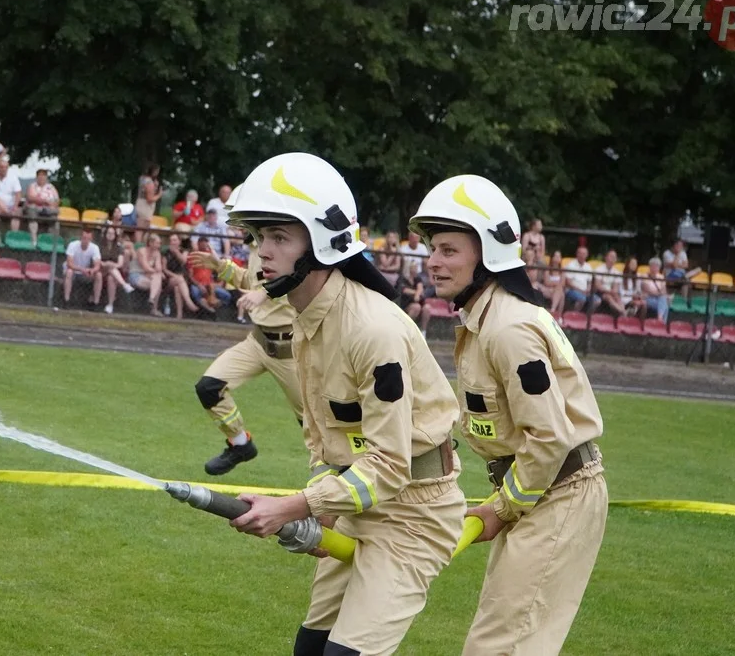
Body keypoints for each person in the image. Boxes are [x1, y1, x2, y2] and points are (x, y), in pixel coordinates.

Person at [225, 153, 464, 656]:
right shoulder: (306, 317)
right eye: (257, 238)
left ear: (322, 243)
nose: (261, 253)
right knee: (310, 650)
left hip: (414, 516)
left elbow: (390, 465)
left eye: (278, 238)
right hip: (358, 504)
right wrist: (320, 511)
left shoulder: (371, 330)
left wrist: (295, 507)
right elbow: (323, 439)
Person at [409, 174, 607, 656]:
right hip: (535, 492)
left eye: (449, 250)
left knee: (501, 646)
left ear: (489, 254)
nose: (432, 261)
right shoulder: (487, 319)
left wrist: (500, 509)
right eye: (433, 248)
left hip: (556, 493)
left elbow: (549, 436)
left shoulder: (508, 329)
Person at [189, 217, 304, 475]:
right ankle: (240, 443)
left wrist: (264, 294)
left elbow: (300, 277)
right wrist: (221, 266)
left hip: (291, 350)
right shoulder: (256, 246)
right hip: (258, 342)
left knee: (312, 423)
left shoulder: (285, 243)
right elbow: (249, 280)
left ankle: (339, 473)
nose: (236, 224)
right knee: (209, 388)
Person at [63, 228, 103, 307]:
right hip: (74, 271)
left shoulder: (95, 248)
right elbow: (69, 264)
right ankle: (66, 301)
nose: (86, 240)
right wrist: (82, 269)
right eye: (84, 238)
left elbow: (97, 265)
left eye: (88, 238)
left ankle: (95, 303)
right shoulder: (73, 245)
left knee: (99, 275)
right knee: (69, 272)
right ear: (80, 238)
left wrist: (92, 270)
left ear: (91, 239)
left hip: (85, 273)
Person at [134, 163, 161, 242]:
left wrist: (155, 186)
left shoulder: (142, 178)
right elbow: (150, 199)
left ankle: (140, 244)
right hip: (145, 206)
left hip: (140, 203)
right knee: (141, 228)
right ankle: (138, 245)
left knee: (143, 227)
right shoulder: (149, 182)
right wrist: (159, 195)